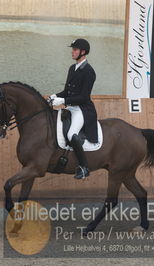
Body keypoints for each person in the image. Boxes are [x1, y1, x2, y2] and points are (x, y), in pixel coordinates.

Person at [49, 38, 98, 180]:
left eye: (75, 50)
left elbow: (83, 97)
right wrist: (54, 96)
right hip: (70, 107)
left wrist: (63, 100)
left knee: (71, 134)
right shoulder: (72, 68)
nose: (72, 52)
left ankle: (84, 167)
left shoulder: (89, 72)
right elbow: (66, 91)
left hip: (82, 109)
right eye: (73, 49)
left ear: (83, 52)